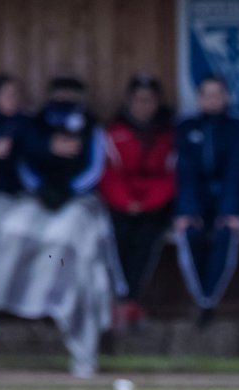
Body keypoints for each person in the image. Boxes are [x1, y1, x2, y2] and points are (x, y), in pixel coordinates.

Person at [99, 74, 176, 329]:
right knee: (117, 237)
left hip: (154, 204)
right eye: (138, 100)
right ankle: (118, 298)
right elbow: (109, 175)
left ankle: (133, 298)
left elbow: (170, 176)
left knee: (147, 239)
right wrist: (126, 202)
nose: (143, 105)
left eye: (149, 100)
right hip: (121, 203)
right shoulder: (114, 132)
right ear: (129, 101)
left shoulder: (168, 133)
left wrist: (146, 203)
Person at [174, 75, 239, 326]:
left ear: (227, 97)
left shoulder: (237, 129)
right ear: (198, 98)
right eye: (207, 94)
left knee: (227, 234)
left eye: (218, 94)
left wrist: (231, 211)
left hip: (227, 203)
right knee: (189, 234)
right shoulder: (185, 129)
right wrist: (187, 211)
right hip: (196, 202)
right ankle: (201, 300)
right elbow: (184, 174)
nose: (213, 99)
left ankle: (210, 301)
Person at [17, 76, 105, 210]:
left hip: (78, 194)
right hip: (37, 193)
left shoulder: (92, 124)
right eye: (60, 94)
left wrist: (72, 188)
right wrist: (39, 187)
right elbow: (23, 158)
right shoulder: (36, 122)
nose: (65, 98)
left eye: (71, 94)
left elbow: (96, 166)